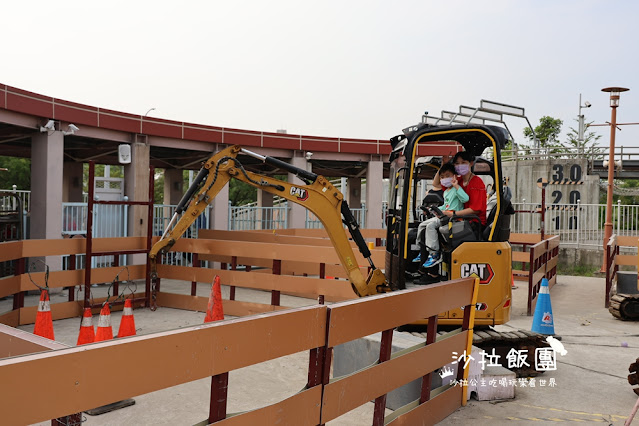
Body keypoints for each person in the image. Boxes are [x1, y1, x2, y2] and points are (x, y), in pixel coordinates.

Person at [415, 151, 486, 285]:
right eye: (457, 163)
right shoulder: (456, 180)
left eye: (463, 163)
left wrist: (452, 214)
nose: (460, 166)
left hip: (472, 222)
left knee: (433, 229)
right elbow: (436, 183)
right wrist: (444, 165)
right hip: (461, 219)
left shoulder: (476, 182)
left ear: (471, 163)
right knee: (425, 229)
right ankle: (425, 269)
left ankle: (433, 272)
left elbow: (476, 209)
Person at [413, 163, 468, 267]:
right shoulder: (446, 191)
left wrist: (456, 186)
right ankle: (421, 250)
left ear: (454, 176)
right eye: (442, 177)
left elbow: (465, 199)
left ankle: (434, 253)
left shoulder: (457, 189)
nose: (444, 179)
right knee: (421, 225)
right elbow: (445, 206)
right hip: (445, 216)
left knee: (431, 226)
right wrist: (434, 209)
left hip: (453, 218)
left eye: (448, 176)